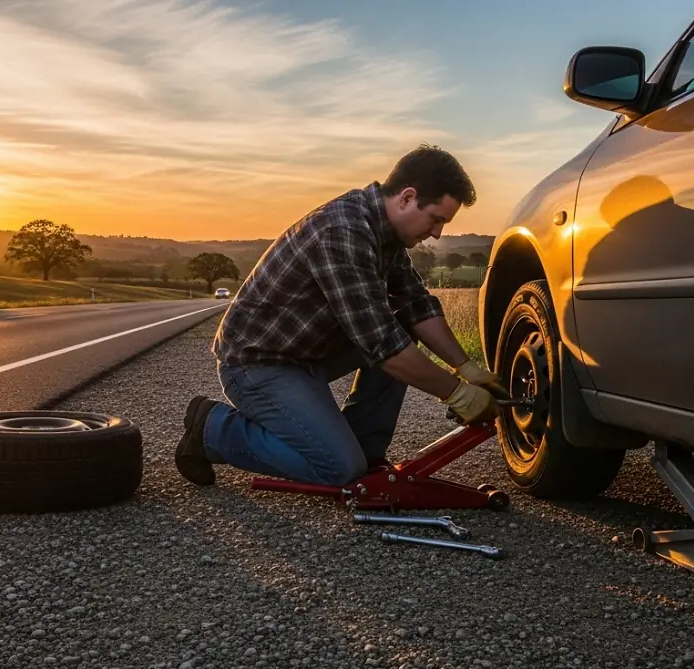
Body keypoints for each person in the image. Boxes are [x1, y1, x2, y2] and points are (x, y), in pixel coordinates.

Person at [174, 144, 509, 487]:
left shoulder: (388, 233)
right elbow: (382, 345)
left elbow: (415, 304)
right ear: (407, 198)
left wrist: (465, 368)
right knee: (338, 468)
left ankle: (364, 450)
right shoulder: (342, 231)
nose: (437, 233)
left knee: (403, 330)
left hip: (307, 353)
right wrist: (458, 394)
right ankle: (213, 429)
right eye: (436, 219)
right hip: (258, 364)